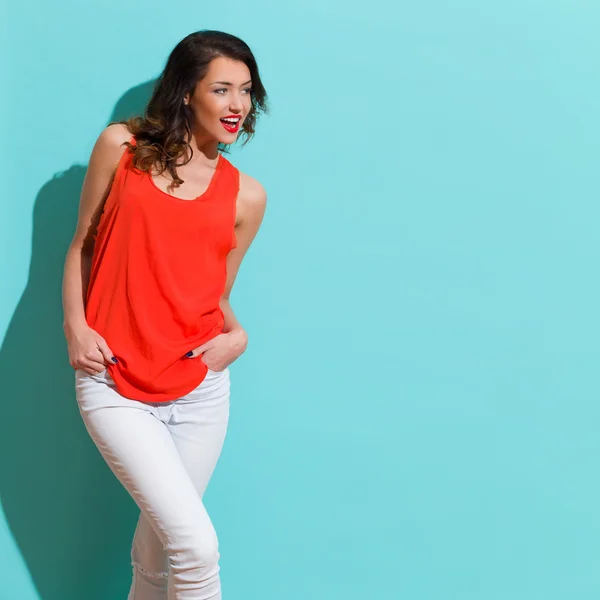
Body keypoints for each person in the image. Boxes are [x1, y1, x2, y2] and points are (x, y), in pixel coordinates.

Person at [61, 30, 269, 600]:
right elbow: (81, 243)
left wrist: (240, 337)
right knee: (195, 549)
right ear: (185, 93)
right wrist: (75, 327)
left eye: (246, 92)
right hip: (115, 382)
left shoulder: (246, 197)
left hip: (200, 390)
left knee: (157, 552)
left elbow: (213, 296)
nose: (237, 105)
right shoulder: (120, 149)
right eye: (221, 89)